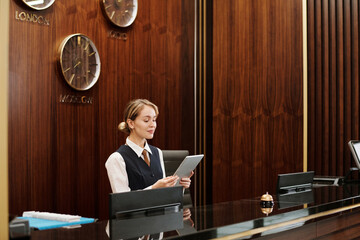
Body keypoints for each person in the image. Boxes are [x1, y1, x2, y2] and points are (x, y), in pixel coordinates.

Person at [105, 99, 193, 193]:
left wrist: (180, 186)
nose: (153, 125)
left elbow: (163, 196)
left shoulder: (157, 152)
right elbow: (122, 203)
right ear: (131, 123)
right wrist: (154, 188)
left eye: (154, 120)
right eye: (146, 120)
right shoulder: (116, 159)